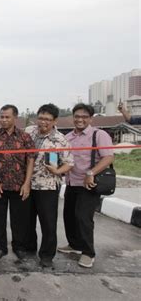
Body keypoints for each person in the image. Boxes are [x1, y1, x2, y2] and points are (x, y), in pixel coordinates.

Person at [58, 103, 114, 268]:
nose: (80, 120)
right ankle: (74, 245)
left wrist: (91, 173)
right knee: (69, 216)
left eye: (84, 117)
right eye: (77, 116)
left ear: (90, 118)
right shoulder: (68, 138)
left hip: (89, 184)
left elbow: (108, 157)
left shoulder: (99, 135)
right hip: (71, 182)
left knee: (83, 218)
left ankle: (88, 252)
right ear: (72, 118)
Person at [25, 104, 74, 268]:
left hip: (48, 186)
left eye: (47, 119)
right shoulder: (29, 132)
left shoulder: (60, 140)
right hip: (27, 184)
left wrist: (58, 170)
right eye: (40, 118)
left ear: (55, 121)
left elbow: (69, 163)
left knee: (48, 223)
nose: (43, 122)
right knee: (28, 220)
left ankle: (46, 255)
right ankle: (29, 248)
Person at [0, 104, 35, 260]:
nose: (4, 120)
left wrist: (27, 183)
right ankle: (1, 248)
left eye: (7, 117)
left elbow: (31, 160)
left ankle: (18, 246)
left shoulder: (25, 137)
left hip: (19, 186)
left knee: (18, 220)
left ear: (15, 118)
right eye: (2, 117)